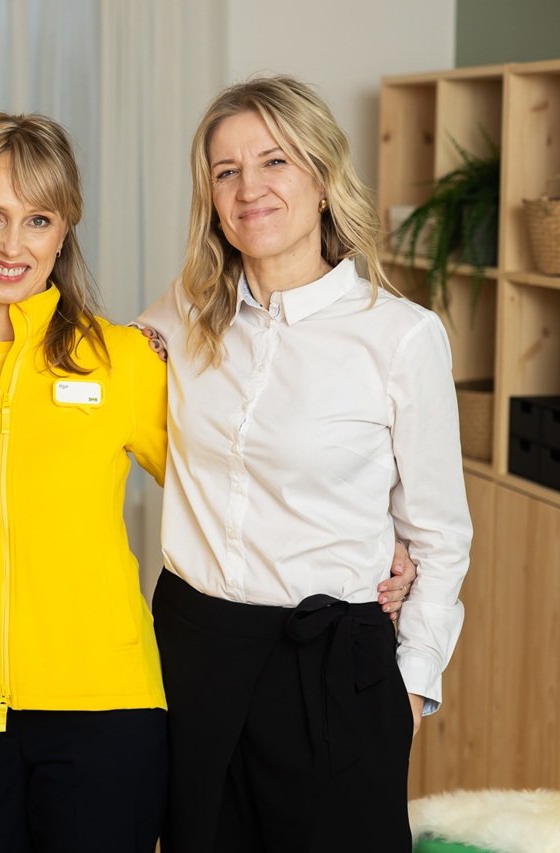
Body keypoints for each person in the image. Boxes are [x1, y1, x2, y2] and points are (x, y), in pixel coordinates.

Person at [0, 112, 417, 852]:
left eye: (37, 219)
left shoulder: (123, 361)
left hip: (108, 717)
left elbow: (238, 478)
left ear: (64, 230)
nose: (12, 245)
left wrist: (372, 540)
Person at [138, 76, 473, 852]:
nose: (248, 188)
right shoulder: (185, 311)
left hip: (331, 673)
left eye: (274, 161)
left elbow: (440, 536)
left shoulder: (401, 336)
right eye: (225, 170)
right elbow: (88, 390)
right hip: (193, 655)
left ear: (322, 178)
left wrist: (409, 690)